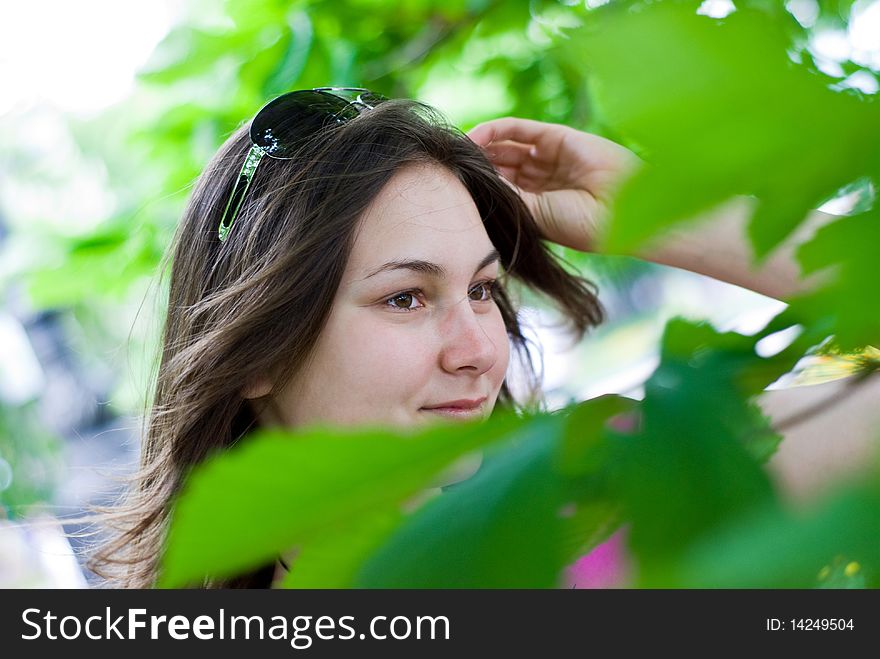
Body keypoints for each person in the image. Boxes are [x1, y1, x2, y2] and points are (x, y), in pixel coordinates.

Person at [90, 87, 879, 588]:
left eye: (483, 289)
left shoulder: (597, 505)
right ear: (256, 351)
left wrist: (668, 219)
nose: (477, 347)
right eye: (405, 297)